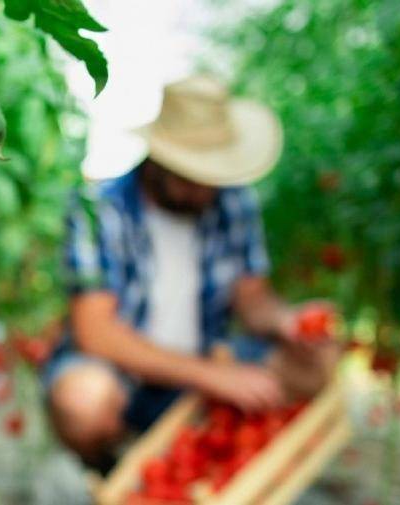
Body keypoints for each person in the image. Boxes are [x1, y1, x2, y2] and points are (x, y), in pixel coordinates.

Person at [44, 75, 339, 473]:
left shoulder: (232, 201)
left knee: (320, 361)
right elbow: (95, 332)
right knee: (83, 402)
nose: (206, 192)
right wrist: (214, 376)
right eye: (193, 177)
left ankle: (210, 459)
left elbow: (252, 299)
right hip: (126, 375)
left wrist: (285, 320)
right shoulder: (99, 208)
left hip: (207, 360)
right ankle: (113, 468)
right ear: (160, 160)